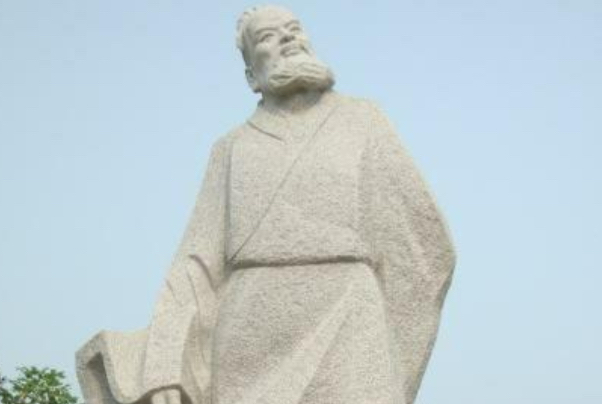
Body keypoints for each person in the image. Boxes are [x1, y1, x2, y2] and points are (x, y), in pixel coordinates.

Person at [76, 5, 455, 404]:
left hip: (351, 324)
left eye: (294, 29)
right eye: (267, 37)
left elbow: (424, 246)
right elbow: (195, 265)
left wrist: (393, 363)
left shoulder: (363, 120)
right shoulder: (231, 148)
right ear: (250, 76)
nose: (289, 38)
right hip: (249, 342)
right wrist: (164, 369)